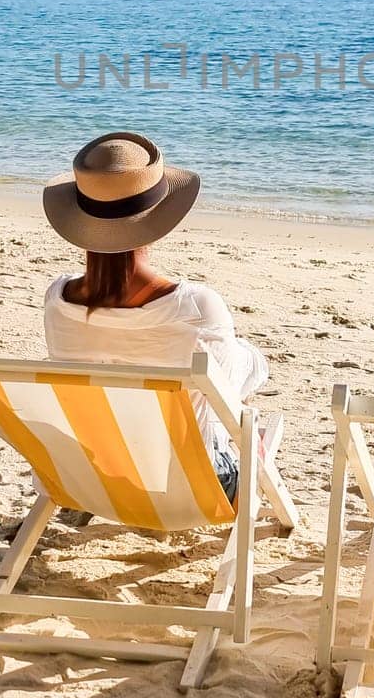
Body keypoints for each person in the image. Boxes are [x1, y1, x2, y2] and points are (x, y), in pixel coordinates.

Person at [41, 131, 267, 501]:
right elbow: (231, 384)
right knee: (241, 409)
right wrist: (254, 358)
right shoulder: (195, 306)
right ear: (158, 219)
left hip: (92, 479)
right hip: (186, 487)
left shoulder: (58, 301)